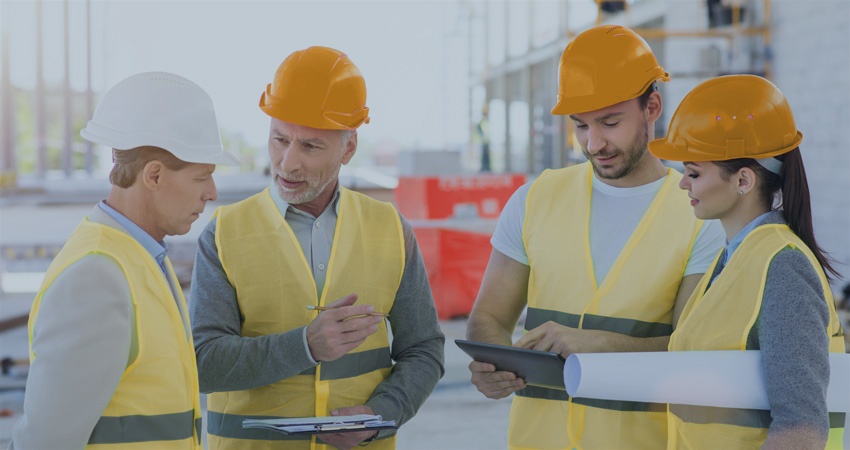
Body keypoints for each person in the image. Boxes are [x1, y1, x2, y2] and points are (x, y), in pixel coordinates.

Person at [465, 25, 726, 449]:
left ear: (652, 107)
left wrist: (600, 344)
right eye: (581, 126)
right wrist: (495, 366)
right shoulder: (534, 199)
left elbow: (691, 352)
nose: (594, 143)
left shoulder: (700, 215)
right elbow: (488, 318)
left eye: (610, 122)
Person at [190, 46, 445, 450]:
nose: (288, 163)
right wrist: (305, 346)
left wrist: (381, 415)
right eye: (279, 139)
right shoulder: (223, 233)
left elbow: (425, 349)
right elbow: (204, 364)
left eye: (310, 146)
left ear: (348, 148)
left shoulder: (391, 231)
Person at [10, 72, 239, 449]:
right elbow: (45, 441)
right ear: (153, 175)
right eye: (203, 177)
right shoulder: (97, 276)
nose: (212, 193)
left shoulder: (145, 257)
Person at [648, 74, 846, 449]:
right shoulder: (732, 259)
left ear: (742, 180)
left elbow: (801, 427)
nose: (682, 184)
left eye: (693, 172)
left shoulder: (783, 268)